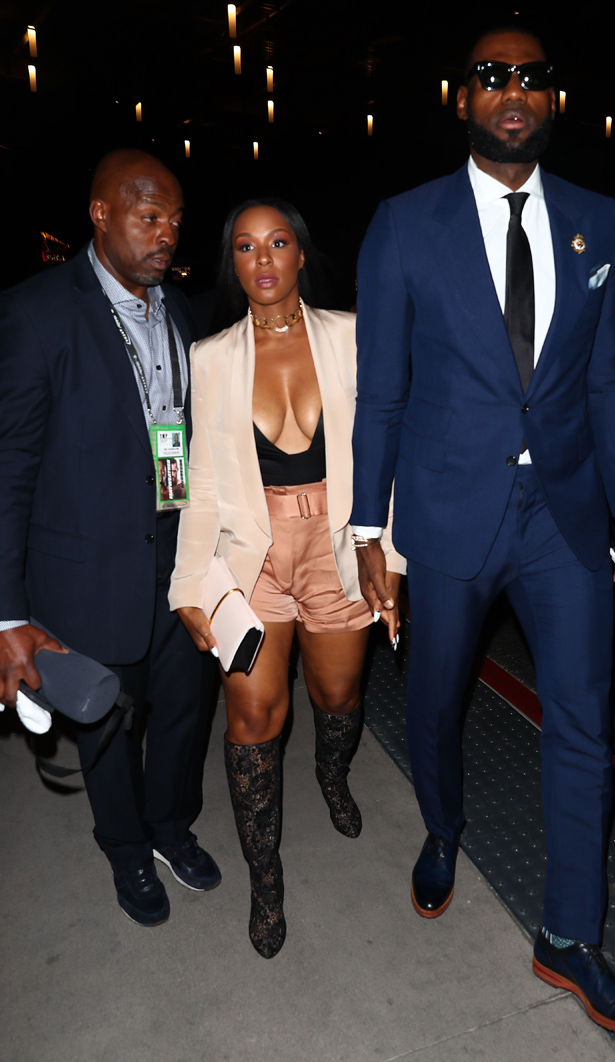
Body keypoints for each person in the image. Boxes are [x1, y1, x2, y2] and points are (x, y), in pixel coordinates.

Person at [350, 26, 615, 1041]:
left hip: (563, 516)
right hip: (447, 512)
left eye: (530, 77)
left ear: (553, 99)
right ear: (462, 99)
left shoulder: (596, 221)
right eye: (492, 77)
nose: (512, 91)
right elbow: (380, 391)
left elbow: (607, 379)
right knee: (435, 701)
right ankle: (442, 827)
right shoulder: (405, 224)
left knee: (584, 723)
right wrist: (368, 527)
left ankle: (569, 937)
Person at [168, 198, 405, 959]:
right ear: (232, 263)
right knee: (251, 718)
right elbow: (200, 480)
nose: (262, 259)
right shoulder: (210, 357)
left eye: (277, 243)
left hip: (340, 544)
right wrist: (187, 583)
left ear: (301, 253)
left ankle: (333, 774)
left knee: (337, 697)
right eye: (245, 246)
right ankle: (265, 880)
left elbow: (387, 452)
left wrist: (390, 556)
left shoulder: (352, 336)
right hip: (251, 557)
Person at [0, 149, 220, 927]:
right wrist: (7, 613)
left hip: (180, 558)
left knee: (187, 710)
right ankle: (125, 847)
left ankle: (171, 826)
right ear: (100, 214)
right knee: (109, 726)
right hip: (88, 570)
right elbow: (10, 468)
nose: (167, 234)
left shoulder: (180, 306)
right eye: (149, 216)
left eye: (176, 220)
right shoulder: (37, 312)